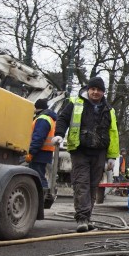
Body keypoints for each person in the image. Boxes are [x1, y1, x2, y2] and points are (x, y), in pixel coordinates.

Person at [53, 76, 120, 232]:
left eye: (99, 90)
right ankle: (82, 218)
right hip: (80, 150)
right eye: (93, 89)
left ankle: (87, 217)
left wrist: (112, 156)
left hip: (99, 152)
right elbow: (63, 118)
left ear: (103, 92)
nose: (95, 92)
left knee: (92, 186)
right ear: (88, 89)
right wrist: (59, 134)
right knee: (81, 183)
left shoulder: (109, 110)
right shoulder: (75, 103)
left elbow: (113, 133)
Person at [26, 98, 57, 198]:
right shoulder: (49, 118)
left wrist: (31, 153)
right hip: (45, 151)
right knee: (39, 174)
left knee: (38, 175)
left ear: (36, 108)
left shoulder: (42, 118)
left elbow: (38, 138)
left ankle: (43, 198)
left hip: (40, 152)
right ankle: (43, 197)